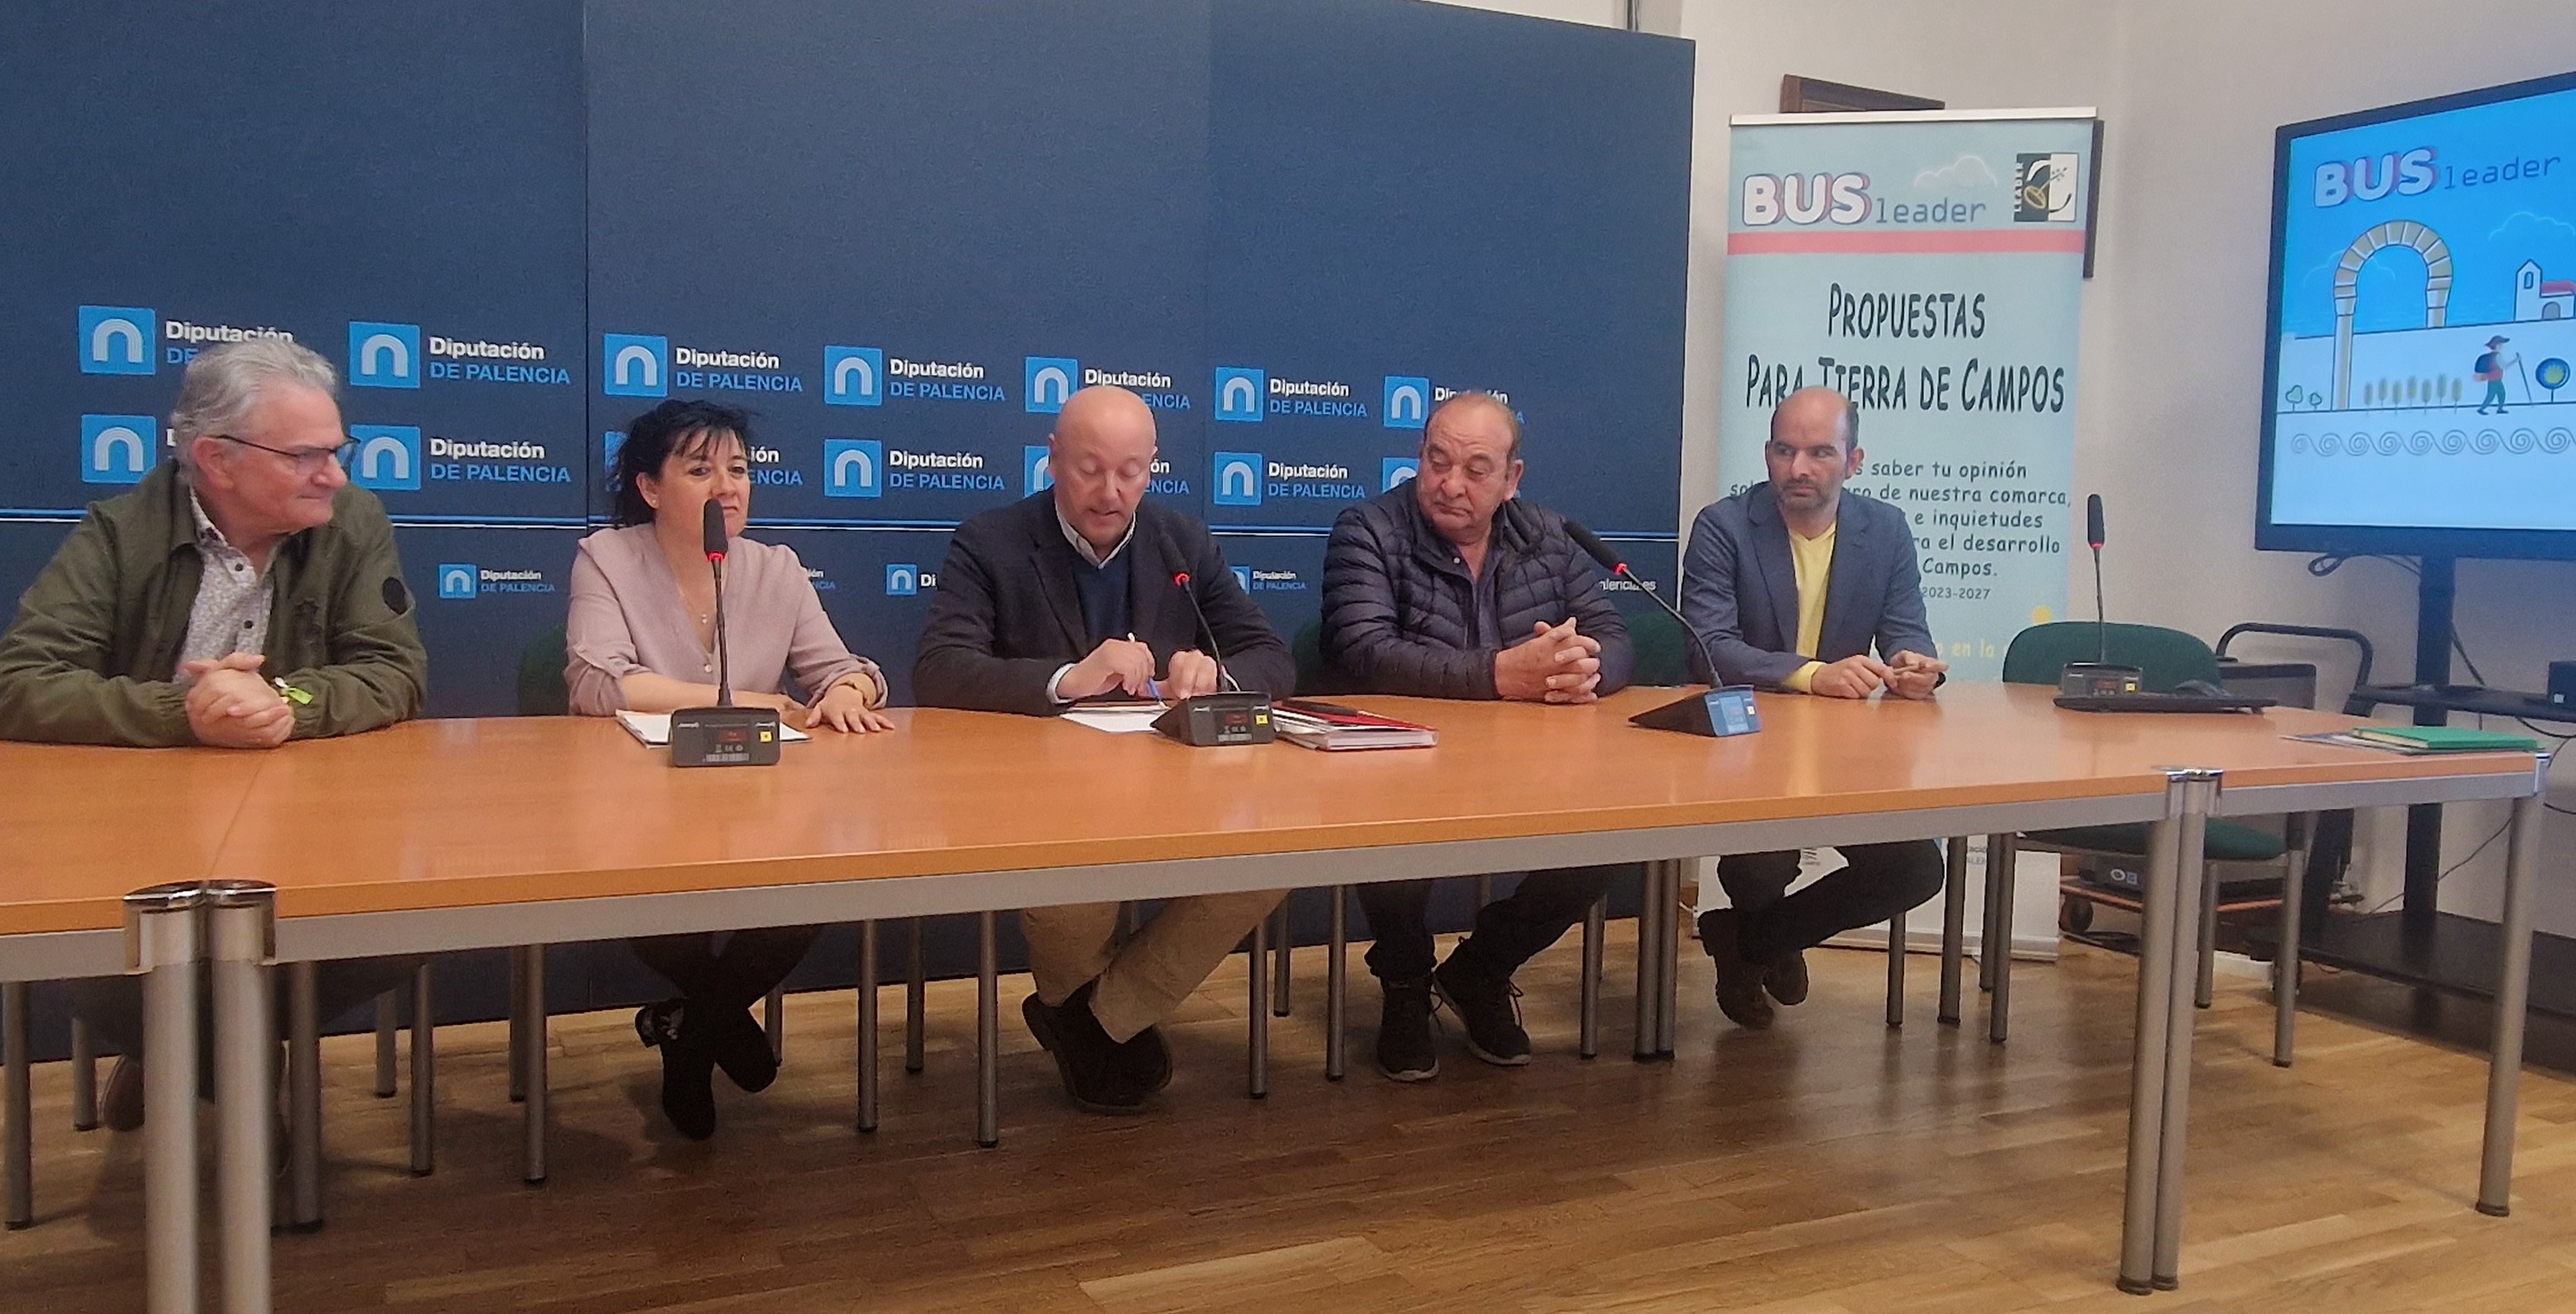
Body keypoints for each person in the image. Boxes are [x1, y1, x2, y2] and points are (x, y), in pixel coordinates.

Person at [0, 338, 430, 1126]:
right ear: (216, 459)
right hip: (136, 831)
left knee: (399, 930)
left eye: (337, 451)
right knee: (117, 961)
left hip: (305, 826)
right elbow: (21, 684)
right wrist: (186, 715)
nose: (334, 476)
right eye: (305, 456)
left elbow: (394, 668)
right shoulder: (120, 531)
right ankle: (226, 1077)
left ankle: (184, 1050)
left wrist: (285, 702)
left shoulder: (352, 520)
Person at [915, 384, 1289, 1115]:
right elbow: (938, 668)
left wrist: (1215, 674)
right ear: (1052, 458)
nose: (1110, 492)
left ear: (1152, 467)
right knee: (1076, 889)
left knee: (1270, 860)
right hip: (1045, 797)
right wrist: (1067, 678)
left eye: (1129, 472)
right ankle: (1102, 1024)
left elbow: (1269, 654)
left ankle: (1093, 1021)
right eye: (1089, 469)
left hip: (1171, 788)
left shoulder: (1181, 541)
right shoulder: (992, 541)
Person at [568, 398, 895, 1140]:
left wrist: (848, 691)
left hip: (754, 807)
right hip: (638, 807)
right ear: (650, 488)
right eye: (700, 471)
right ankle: (709, 1021)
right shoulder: (608, 558)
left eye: (739, 470)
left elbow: (845, 668)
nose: (728, 488)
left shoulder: (774, 568)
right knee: (646, 894)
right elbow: (596, 682)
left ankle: (690, 1025)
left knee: (811, 886)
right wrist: (747, 702)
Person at [1318, 392, 1633, 1080]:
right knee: (1394, 822)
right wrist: (1501, 674)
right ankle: (1405, 983)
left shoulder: (1546, 536)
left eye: (1475, 469)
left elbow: (1612, 635)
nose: (1449, 484)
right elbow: (1364, 651)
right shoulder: (1369, 530)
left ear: (1511, 479)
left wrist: (1585, 669)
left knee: (1617, 831)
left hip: (1525, 758)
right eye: (1437, 461)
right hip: (1404, 757)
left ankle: (1482, 968)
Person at [1678, 387, 1949, 1029]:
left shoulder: (1885, 529)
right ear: (1766, 454)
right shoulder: (1724, 526)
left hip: (1843, 756)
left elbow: (1906, 630)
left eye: (1819, 453)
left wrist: (1914, 668)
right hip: (1747, 750)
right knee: (1759, 864)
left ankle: (1748, 941)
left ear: (1853, 461)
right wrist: (1812, 675)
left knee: (1913, 868)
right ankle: (1765, 936)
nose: (1797, 468)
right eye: (1784, 450)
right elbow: (1707, 647)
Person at [2474, 336, 2520, 414]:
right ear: (2497, 345)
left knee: (2501, 393)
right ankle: (2482, 409)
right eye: (2501, 344)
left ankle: (2499, 408)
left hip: (2496, 379)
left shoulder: (2493, 356)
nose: (2502, 346)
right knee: (2491, 395)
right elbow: (2504, 366)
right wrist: (2515, 361)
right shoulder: (2497, 356)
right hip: (2494, 379)